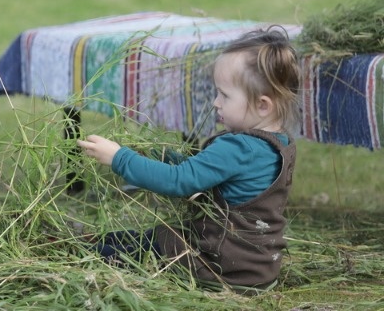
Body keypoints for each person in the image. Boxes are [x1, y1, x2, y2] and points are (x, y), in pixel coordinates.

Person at [78, 26, 300, 292]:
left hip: (221, 267)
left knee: (136, 250)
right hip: (255, 266)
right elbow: (204, 171)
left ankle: (79, 252)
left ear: (263, 105)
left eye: (225, 95)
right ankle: (92, 242)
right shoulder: (279, 143)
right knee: (149, 237)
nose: (216, 103)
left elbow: (180, 181)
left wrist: (119, 158)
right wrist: (162, 155)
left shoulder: (240, 147)